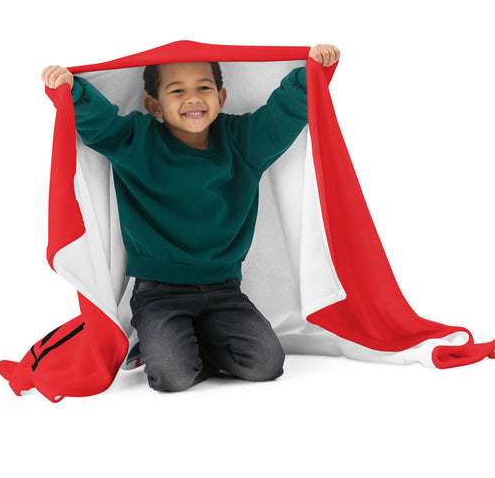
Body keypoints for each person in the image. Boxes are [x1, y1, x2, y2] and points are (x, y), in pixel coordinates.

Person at [41, 43, 340, 392]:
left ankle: (188, 340)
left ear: (221, 97)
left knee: (266, 364)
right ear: (154, 105)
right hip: (159, 292)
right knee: (173, 376)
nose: (193, 98)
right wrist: (72, 91)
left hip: (224, 289)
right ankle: (158, 343)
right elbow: (101, 125)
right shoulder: (137, 142)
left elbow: (282, 117)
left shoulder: (242, 141)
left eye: (203, 87)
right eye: (177, 91)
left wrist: (311, 76)